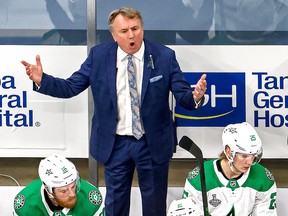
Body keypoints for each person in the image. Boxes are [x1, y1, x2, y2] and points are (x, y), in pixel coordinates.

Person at [20, 7, 207, 216]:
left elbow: (184, 97)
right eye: (124, 30)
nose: (131, 35)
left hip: (152, 144)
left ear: (142, 28)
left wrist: (196, 96)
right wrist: (42, 80)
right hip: (115, 144)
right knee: (115, 207)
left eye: (135, 28)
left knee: (155, 207)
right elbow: (71, 87)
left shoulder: (164, 56)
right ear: (113, 35)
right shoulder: (99, 56)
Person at [181, 122, 277, 215]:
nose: (250, 162)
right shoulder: (198, 178)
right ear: (228, 151)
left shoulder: (264, 178)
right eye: (244, 156)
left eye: (253, 156)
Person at [13, 154, 105, 216]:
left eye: (73, 187)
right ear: (47, 189)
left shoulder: (92, 199)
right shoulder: (25, 205)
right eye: (63, 191)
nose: (72, 194)